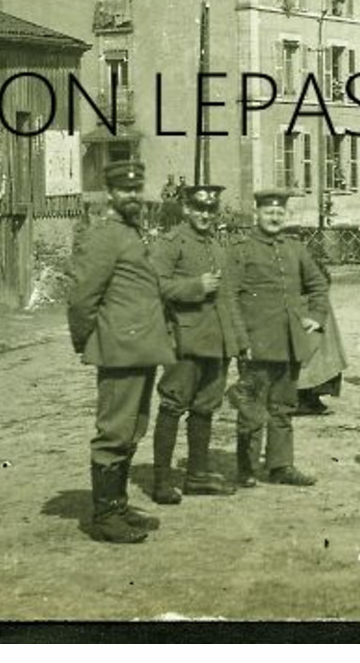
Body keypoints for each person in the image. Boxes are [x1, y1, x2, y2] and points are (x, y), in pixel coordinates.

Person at [66, 159, 178, 543]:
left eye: (136, 188)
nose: (133, 195)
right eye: (124, 190)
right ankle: (104, 516)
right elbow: (82, 298)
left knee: (133, 427)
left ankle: (118, 504)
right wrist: (87, 341)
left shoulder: (131, 232)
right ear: (110, 193)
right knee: (114, 430)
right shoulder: (103, 235)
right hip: (119, 348)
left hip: (141, 347)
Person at [220, 188, 328, 487]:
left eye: (279, 213)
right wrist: (242, 342)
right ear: (257, 214)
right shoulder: (241, 249)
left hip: (289, 342)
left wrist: (315, 318)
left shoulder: (295, 248)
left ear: (286, 215)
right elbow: (229, 297)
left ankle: (281, 467)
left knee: (283, 407)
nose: (274, 217)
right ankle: (247, 469)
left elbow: (319, 284)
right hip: (256, 345)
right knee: (252, 409)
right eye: (269, 212)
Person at [148, 183, 247, 505]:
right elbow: (154, 284)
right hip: (184, 340)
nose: (205, 215)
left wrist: (239, 340)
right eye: (199, 209)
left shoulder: (216, 246)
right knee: (173, 405)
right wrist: (195, 286)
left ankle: (197, 476)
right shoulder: (171, 242)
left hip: (217, 342)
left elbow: (229, 296)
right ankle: (162, 480)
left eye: (210, 209)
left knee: (206, 407)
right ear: (187, 209)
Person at [294, 230, 346, 415]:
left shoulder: (311, 261)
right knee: (304, 358)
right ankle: (301, 400)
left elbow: (324, 279)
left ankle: (313, 399)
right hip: (300, 313)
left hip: (319, 313)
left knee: (322, 359)